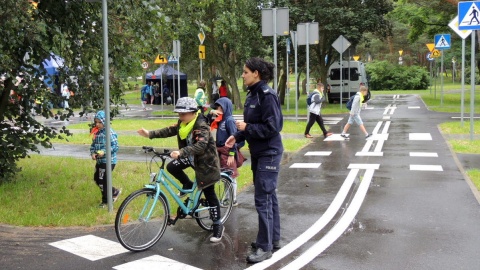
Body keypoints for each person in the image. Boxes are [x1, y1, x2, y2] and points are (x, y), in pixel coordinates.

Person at [137, 97, 224, 243]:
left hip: (206, 164)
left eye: (183, 114)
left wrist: (181, 152)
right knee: (172, 166)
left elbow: (200, 146)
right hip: (191, 158)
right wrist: (149, 134)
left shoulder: (201, 125)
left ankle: (217, 225)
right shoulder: (183, 124)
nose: (180, 116)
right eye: (179, 114)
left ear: (192, 112)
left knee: (209, 193)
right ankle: (188, 184)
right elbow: (169, 130)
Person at [225, 57, 284, 263]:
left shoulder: (267, 95)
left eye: (245, 72)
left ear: (256, 74)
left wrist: (246, 128)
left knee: (263, 199)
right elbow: (251, 124)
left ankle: (265, 247)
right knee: (269, 197)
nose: (243, 75)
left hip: (269, 152)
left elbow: (273, 127)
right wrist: (238, 137)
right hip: (259, 152)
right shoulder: (253, 95)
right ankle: (272, 239)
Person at [208, 97, 245, 207]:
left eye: (220, 107)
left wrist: (231, 154)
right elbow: (209, 121)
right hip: (221, 152)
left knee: (231, 176)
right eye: (217, 107)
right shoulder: (221, 119)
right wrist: (211, 113)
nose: (218, 109)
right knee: (224, 176)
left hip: (228, 152)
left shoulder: (229, 120)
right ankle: (227, 197)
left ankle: (232, 199)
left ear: (226, 107)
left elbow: (234, 138)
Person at [89, 110, 122, 208]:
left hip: (109, 161)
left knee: (103, 180)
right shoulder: (96, 133)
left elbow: (115, 146)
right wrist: (93, 153)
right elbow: (93, 146)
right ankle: (114, 191)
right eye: (96, 122)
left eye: (100, 122)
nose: (97, 124)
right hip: (100, 161)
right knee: (97, 179)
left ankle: (106, 201)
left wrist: (105, 151)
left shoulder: (110, 132)